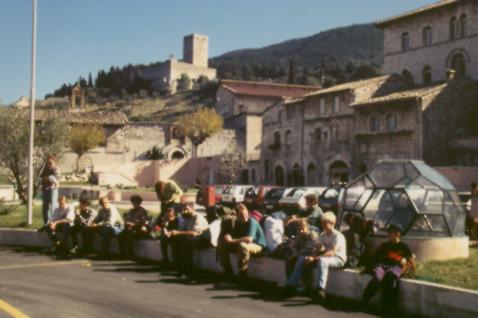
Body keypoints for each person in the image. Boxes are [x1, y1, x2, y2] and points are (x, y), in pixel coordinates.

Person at [286, 211, 346, 301]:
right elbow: (317, 248)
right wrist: (311, 257)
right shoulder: (323, 235)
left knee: (322, 261)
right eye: (322, 223)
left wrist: (316, 258)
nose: (323, 225)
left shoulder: (337, 236)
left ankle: (320, 289)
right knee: (302, 259)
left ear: (332, 223)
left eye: (325, 223)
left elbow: (332, 252)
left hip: (338, 259)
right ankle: (292, 284)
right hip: (326, 257)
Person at [362, 224, 415, 307]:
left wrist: (407, 267)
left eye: (391, 233)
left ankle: (388, 305)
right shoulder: (385, 246)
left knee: (391, 280)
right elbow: (375, 259)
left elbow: (410, 261)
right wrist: (372, 268)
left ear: (398, 234)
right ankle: (365, 299)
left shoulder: (404, 247)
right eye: (388, 233)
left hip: (397, 268)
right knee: (377, 278)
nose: (389, 235)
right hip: (383, 266)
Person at [217, 203, 267, 281]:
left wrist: (231, 241)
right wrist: (227, 238)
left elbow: (249, 239)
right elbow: (234, 237)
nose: (244, 216)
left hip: (258, 246)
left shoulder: (252, 221)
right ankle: (228, 271)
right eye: (241, 215)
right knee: (222, 243)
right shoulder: (238, 223)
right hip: (243, 244)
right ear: (237, 215)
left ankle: (242, 272)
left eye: (245, 214)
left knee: (243, 245)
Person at [166, 202, 209, 278]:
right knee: (176, 242)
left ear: (192, 209)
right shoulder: (185, 216)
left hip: (202, 238)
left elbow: (194, 233)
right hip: (190, 238)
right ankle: (180, 269)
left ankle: (189, 270)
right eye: (184, 209)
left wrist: (178, 233)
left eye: (187, 209)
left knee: (187, 244)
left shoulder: (198, 217)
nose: (185, 211)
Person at [40, 154, 61, 225]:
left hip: (53, 190)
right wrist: (47, 178)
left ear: (53, 159)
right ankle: (46, 224)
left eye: (50, 159)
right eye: (48, 159)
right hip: (45, 189)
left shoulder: (56, 168)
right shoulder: (45, 168)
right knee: (45, 209)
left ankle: (53, 224)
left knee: (53, 208)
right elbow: (42, 177)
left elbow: (54, 179)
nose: (48, 161)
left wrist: (48, 178)